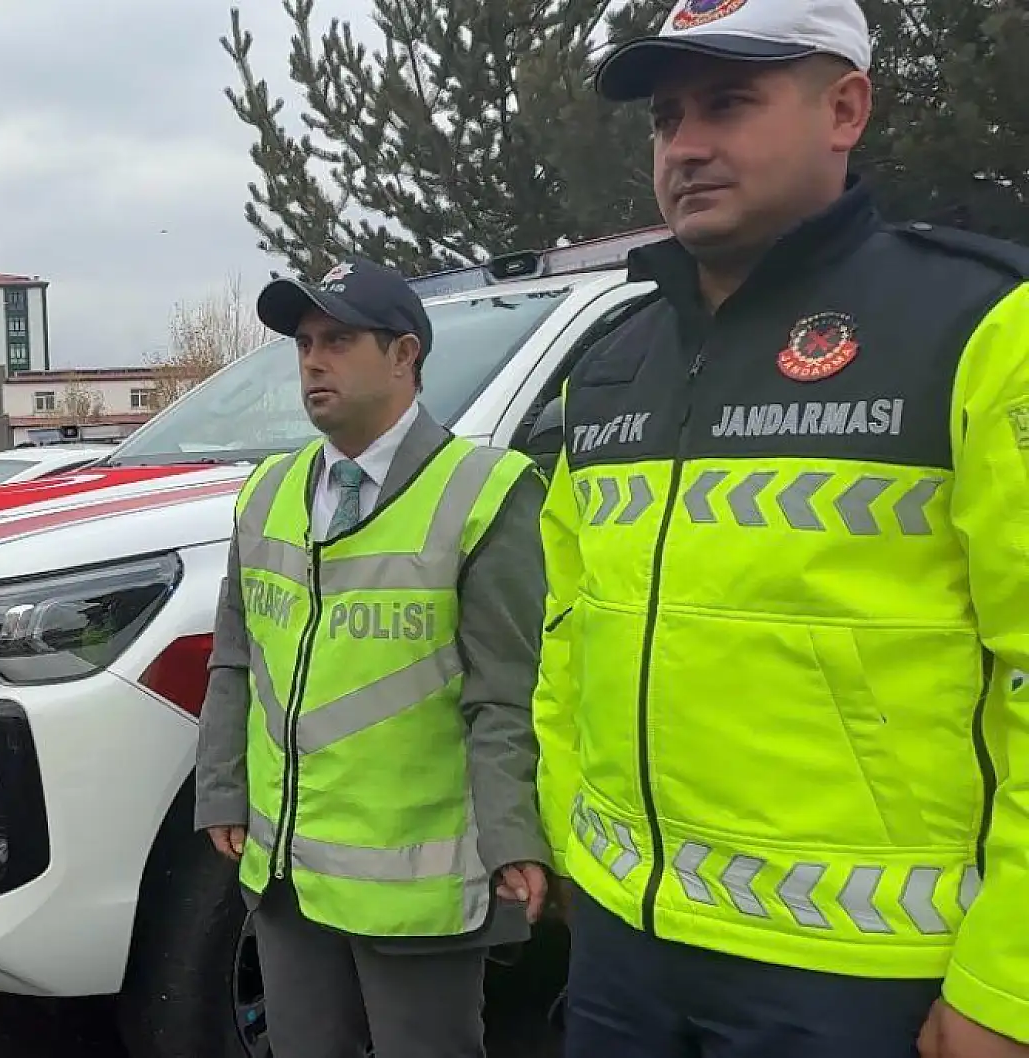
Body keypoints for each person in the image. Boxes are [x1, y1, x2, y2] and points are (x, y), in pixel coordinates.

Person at [533, 0, 1029, 1055]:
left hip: (856, 973)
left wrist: (1008, 981)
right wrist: (576, 847)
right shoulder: (612, 363)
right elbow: (570, 633)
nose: (685, 146)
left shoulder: (980, 326)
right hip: (622, 946)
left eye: (728, 103)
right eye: (666, 118)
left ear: (844, 109)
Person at [194, 257, 551, 1058]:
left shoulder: (484, 491)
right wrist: (222, 790)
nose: (313, 362)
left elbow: (509, 691)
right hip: (285, 874)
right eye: (304, 344)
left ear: (404, 355)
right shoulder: (269, 491)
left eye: (339, 340)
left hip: (418, 888)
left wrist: (514, 837)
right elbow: (234, 659)